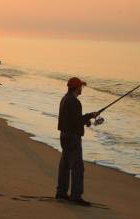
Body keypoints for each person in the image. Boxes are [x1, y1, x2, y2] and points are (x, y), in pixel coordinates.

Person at [56, 77, 99, 206]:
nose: (82, 89)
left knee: (64, 166)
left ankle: (61, 193)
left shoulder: (65, 99)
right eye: (81, 87)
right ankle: (76, 196)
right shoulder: (74, 102)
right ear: (76, 88)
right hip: (72, 137)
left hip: (64, 135)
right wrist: (90, 116)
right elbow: (77, 121)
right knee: (77, 168)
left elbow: (72, 119)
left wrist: (86, 119)